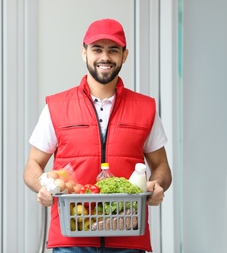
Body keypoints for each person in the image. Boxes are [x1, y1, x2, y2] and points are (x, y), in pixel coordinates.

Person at [23, 18, 172, 253]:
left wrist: (157, 185)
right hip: (71, 239)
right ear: (84, 53)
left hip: (128, 238)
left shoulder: (145, 108)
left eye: (113, 50)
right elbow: (33, 164)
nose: (105, 57)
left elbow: (161, 165)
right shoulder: (57, 106)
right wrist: (43, 186)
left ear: (125, 55)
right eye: (97, 49)